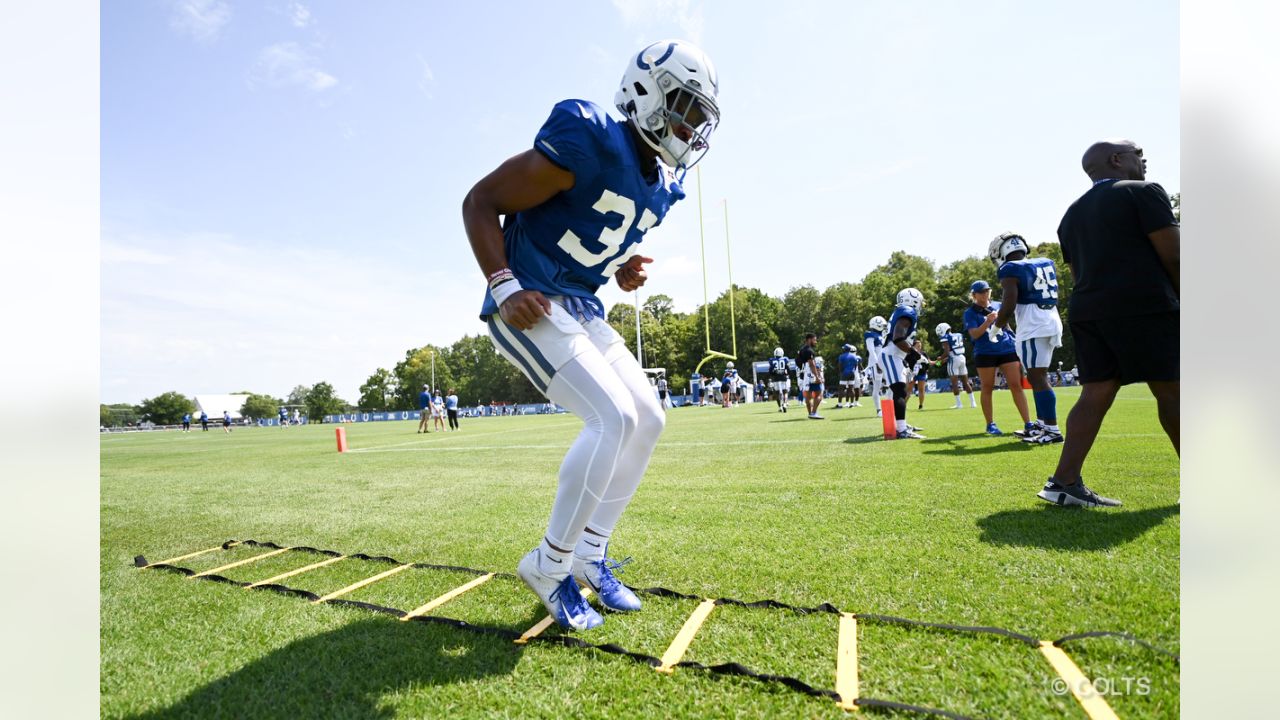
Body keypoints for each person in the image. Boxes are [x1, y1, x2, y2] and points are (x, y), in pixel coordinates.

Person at [461, 39, 720, 630]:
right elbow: (481, 200)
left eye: (701, 117)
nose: (693, 125)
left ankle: (589, 552)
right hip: (529, 296)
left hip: (579, 301)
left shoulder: (661, 184)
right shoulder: (589, 134)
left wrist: (618, 266)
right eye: (687, 107)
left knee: (650, 416)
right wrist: (503, 284)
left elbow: (588, 237)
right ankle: (549, 565)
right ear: (648, 92)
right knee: (613, 418)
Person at [1038, 138, 1179, 508]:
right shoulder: (1144, 191)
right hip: (1143, 306)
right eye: (1139, 153)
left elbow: (1076, 271)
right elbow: (1175, 256)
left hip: (1089, 311)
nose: (1144, 160)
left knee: (1095, 393)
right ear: (1117, 160)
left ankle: (1064, 481)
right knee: (1174, 391)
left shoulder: (1070, 214)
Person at [991, 232, 1066, 445]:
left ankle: (1051, 429)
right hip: (1050, 318)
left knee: (1038, 376)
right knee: (1035, 377)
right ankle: (1042, 426)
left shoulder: (1010, 268)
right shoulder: (1043, 262)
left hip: (1033, 324)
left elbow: (1008, 304)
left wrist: (997, 327)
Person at [963, 280, 1034, 436]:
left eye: (987, 290)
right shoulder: (970, 312)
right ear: (974, 295)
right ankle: (990, 424)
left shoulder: (998, 305)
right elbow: (974, 334)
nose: (985, 294)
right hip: (985, 352)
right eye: (981, 292)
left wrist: (1015, 339)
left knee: (1016, 385)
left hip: (1007, 348)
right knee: (987, 387)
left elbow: (1006, 325)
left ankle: (1028, 423)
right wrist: (987, 322)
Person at [880, 289, 927, 439]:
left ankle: (900, 424)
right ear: (914, 300)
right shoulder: (907, 311)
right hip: (891, 355)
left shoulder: (900, 311)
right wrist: (915, 354)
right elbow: (898, 338)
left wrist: (911, 355)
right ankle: (901, 429)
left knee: (901, 391)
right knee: (899, 391)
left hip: (895, 355)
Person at [934, 323, 977, 409]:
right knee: (966, 382)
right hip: (962, 358)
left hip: (953, 359)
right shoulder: (958, 335)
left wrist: (939, 358)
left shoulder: (945, 337)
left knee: (954, 383)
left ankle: (959, 404)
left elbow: (947, 352)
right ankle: (973, 403)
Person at [864, 316, 888, 417]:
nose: (883, 327)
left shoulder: (882, 335)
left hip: (884, 362)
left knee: (893, 384)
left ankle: (889, 406)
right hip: (876, 364)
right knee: (876, 387)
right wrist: (877, 363)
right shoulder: (870, 335)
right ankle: (879, 410)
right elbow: (871, 350)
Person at [795, 333, 823, 419]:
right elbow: (811, 364)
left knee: (808, 396)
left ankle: (810, 413)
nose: (816, 342)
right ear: (809, 339)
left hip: (804, 375)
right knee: (819, 394)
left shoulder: (801, 350)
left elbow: (798, 362)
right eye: (814, 340)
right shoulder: (809, 350)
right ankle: (814, 413)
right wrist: (817, 376)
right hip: (810, 374)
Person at [836, 344, 862, 408]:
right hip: (852, 373)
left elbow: (840, 365)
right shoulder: (854, 357)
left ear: (845, 349)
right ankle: (852, 403)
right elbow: (856, 366)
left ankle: (840, 404)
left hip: (844, 373)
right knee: (851, 388)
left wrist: (841, 372)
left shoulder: (841, 356)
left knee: (841, 388)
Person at [766, 347, 791, 413]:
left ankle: (780, 407)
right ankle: (785, 404)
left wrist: (773, 373)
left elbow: (770, 371)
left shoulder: (772, 360)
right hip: (783, 377)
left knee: (777, 393)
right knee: (785, 392)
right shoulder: (785, 359)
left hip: (776, 378)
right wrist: (787, 373)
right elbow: (788, 369)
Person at [909, 338, 931, 410]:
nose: (919, 347)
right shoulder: (910, 354)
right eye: (918, 345)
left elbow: (929, 362)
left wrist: (940, 362)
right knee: (908, 390)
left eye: (920, 346)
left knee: (921, 390)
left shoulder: (923, 353)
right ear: (914, 346)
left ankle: (921, 405)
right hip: (912, 373)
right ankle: (903, 406)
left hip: (922, 373)